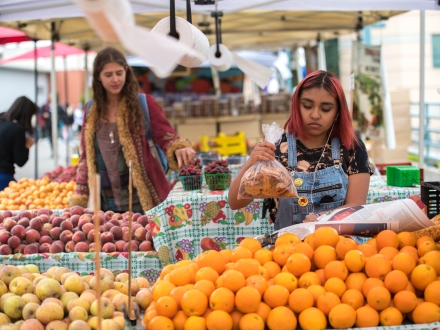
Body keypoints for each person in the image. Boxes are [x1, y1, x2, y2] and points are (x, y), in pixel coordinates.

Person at [228, 70, 373, 230]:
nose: (315, 114)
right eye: (307, 106)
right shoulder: (276, 148)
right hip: (288, 249)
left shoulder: (352, 147)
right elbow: (236, 202)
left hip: (337, 246)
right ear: (297, 106)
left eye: (325, 109)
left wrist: (321, 219)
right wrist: (251, 162)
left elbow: (355, 206)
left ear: (338, 112)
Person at [69, 47, 195, 213]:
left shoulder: (144, 103)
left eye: (119, 73)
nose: (115, 79)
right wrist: (81, 194)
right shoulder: (91, 110)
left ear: (126, 72)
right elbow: (86, 157)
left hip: (145, 200)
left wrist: (179, 148)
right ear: (98, 77)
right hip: (106, 203)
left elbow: (166, 136)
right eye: (108, 75)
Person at [0, 96, 37, 190]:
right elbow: (20, 161)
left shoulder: (1, 119)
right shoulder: (17, 129)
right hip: (3, 175)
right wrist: (27, 146)